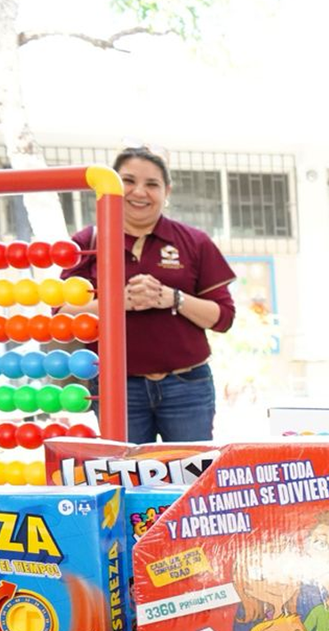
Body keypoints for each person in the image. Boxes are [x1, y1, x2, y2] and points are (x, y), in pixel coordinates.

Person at [63, 146, 235, 443]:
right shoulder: (87, 242)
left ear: (166, 191)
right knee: (124, 480)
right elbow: (62, 314)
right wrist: (119, 302)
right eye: (128, 181)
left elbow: (224, 318)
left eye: (152, 184)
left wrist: (174, 298)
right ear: (111, 186)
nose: (139, 192)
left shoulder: (195, 242)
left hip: (187, 387)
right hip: (116, 388)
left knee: (190, 480)